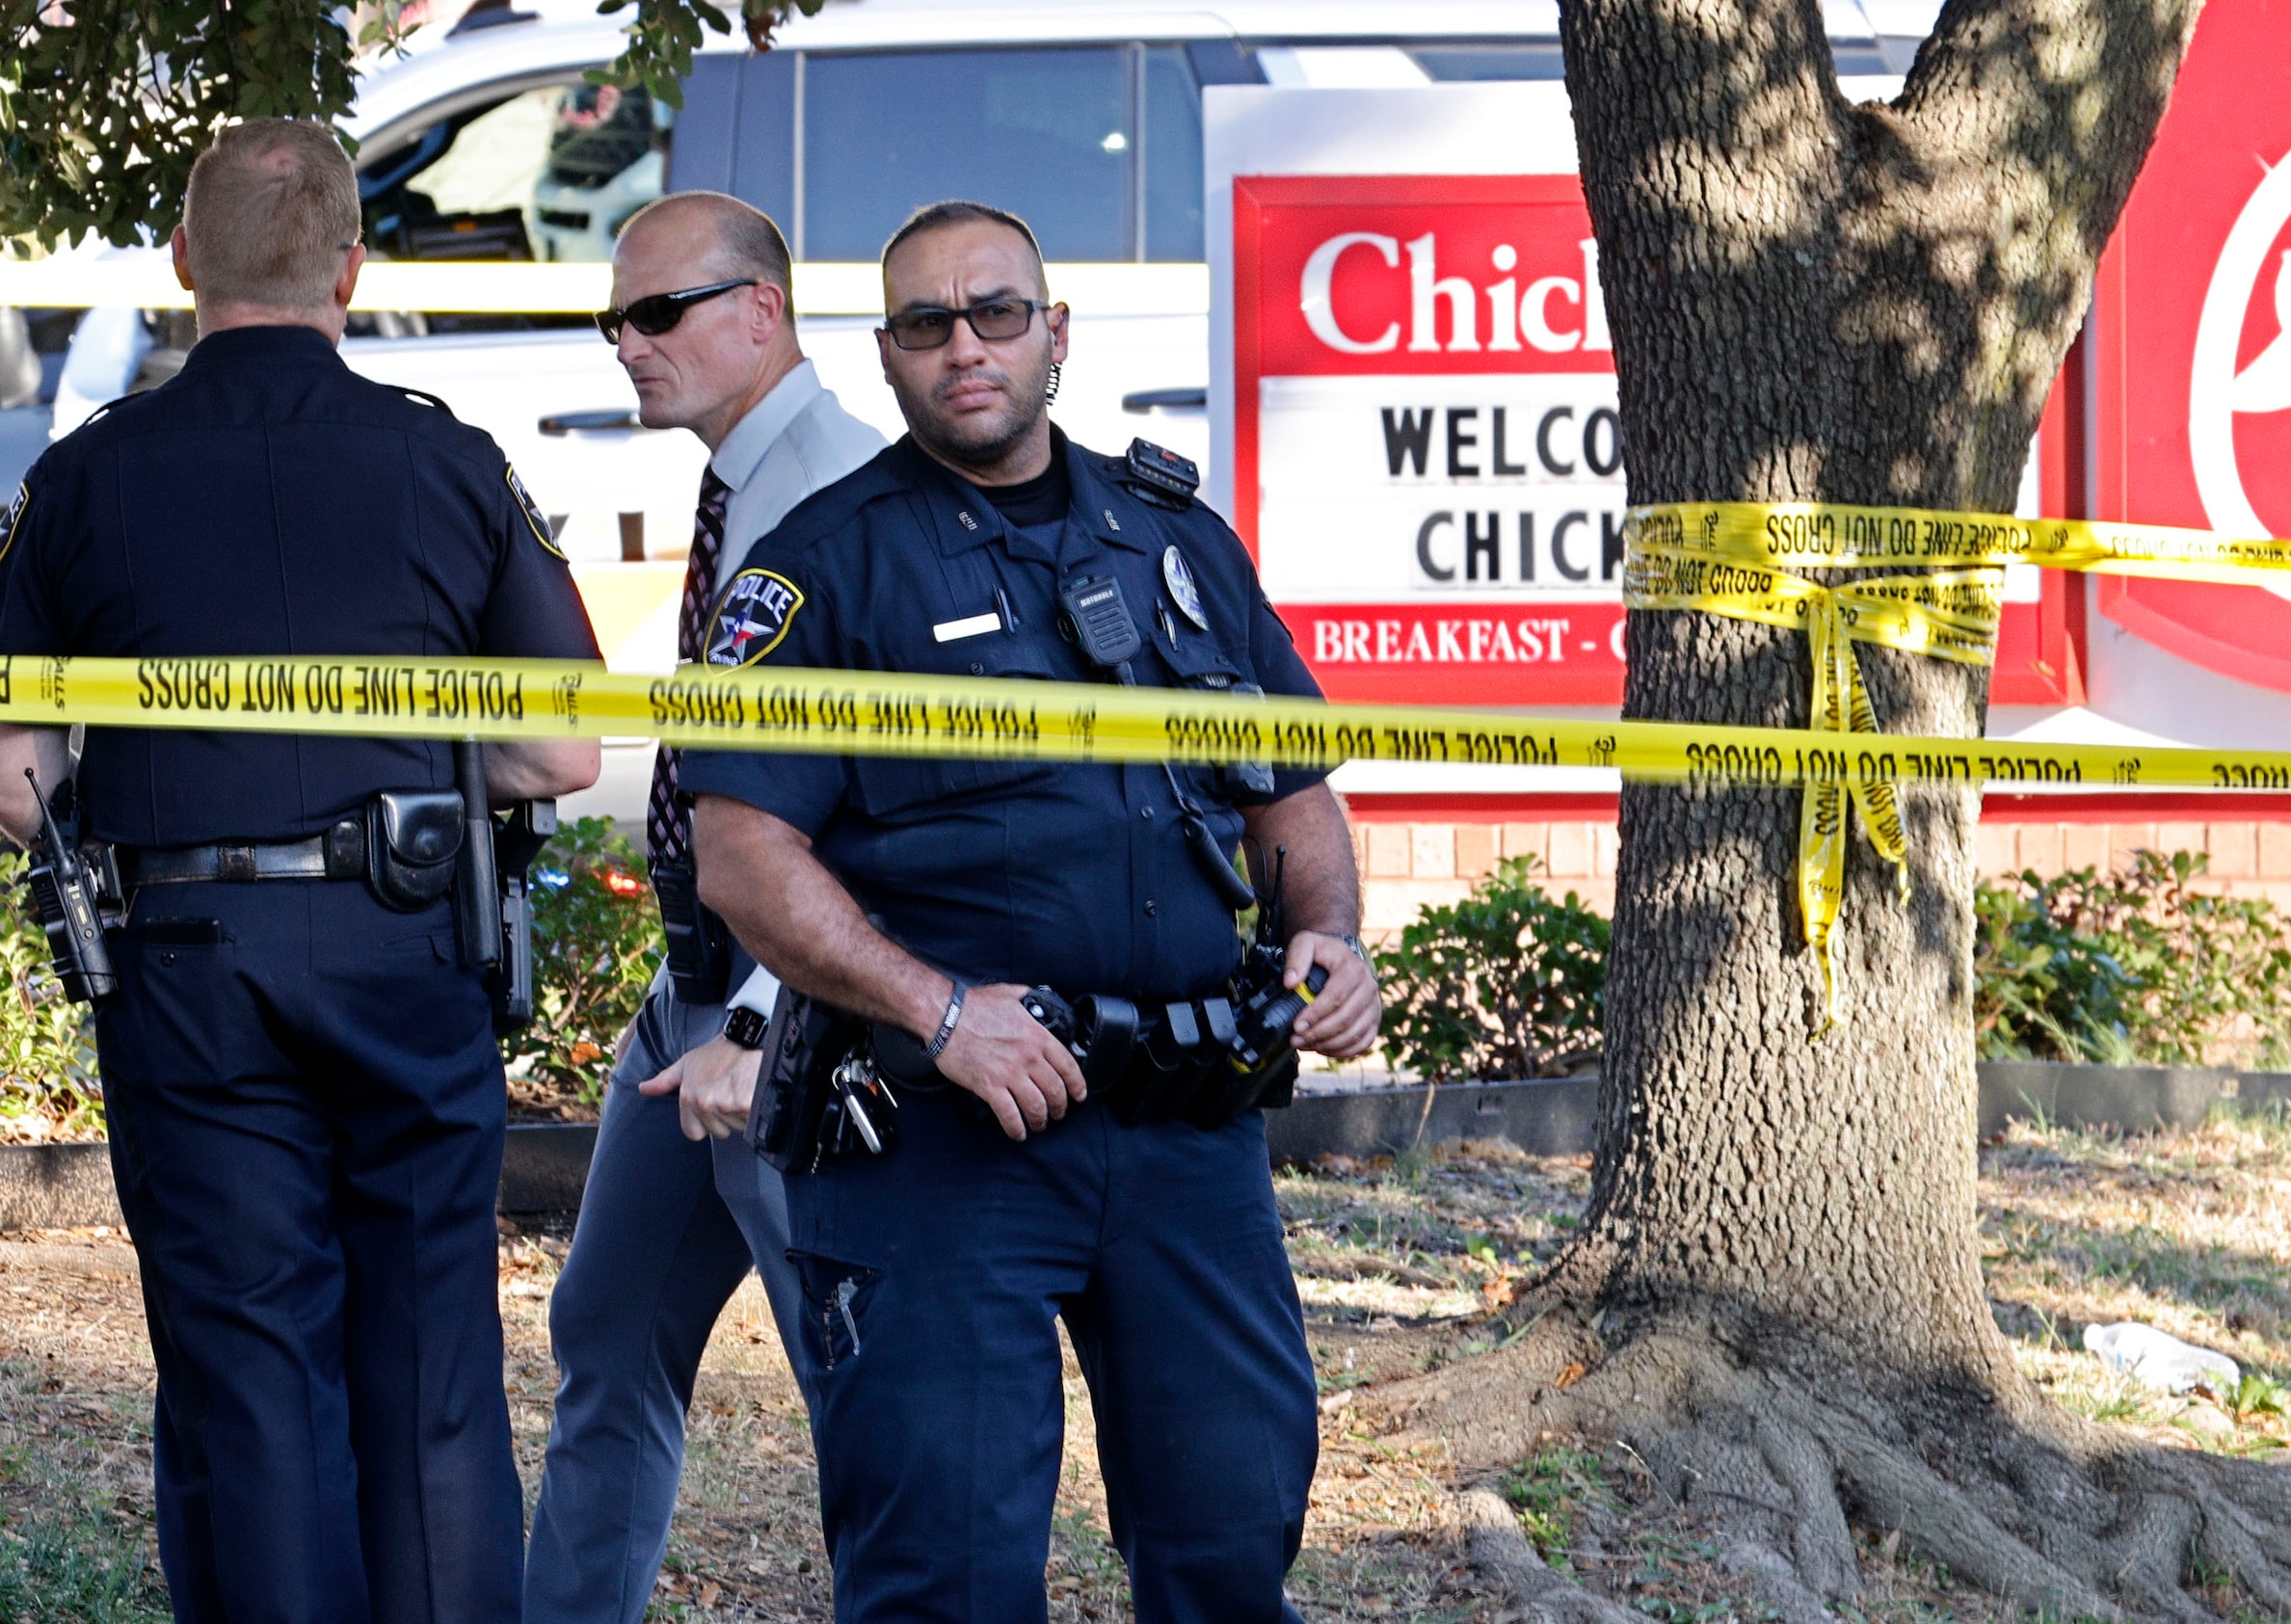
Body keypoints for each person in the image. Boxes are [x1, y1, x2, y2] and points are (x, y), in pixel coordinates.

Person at [682, 200, 1382, 1622]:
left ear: (1054, 332)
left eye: (996, 311)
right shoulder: (822, 565)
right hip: (944, 1138)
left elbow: (1288, 783)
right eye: (927, 323)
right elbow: (742, 854)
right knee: (947, 1568)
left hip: (1185, 1130)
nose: (966, 347)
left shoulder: (1171, 534)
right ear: (886, 354)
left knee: (1234, 1533)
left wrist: (1331, 930)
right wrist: (939, 1011)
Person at [0, 119, 603, 1624]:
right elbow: (562, 754)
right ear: (352, 263)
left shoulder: (83, 478)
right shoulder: (447, 459)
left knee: (251, 1371)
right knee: (435, 1374)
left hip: (190, 964)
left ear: (186, 261)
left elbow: (14, 771)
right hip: (405, 950)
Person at [525, 191, 883, 1622]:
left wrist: (762, 1015)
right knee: (606, 1328)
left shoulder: (842, 494)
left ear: (762, 311)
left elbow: (863, 804)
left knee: (859, 1385)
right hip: (695, 996)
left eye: (656, 311)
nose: (627, 341)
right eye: (614, 314)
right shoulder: (746, 479)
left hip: (783, 1016)